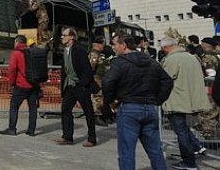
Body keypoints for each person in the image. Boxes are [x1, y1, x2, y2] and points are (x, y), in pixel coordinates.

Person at [102, 32, 173, 170]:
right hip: (149, 108)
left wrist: (110, 102)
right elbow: (167, 82)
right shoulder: (150, 61)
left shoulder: (119, 62)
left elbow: (107, 81)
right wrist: (157, 100)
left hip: (129, 108)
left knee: (127, 151)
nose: (113, 47)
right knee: (155, 150)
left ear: (123, 45)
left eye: (114, 44)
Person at [160, 36, 211, 170]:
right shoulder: (192, 57)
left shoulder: (172, 59)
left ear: (166, 47)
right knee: (185, 130)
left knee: (181, 132)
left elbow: (165, 79)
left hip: (177, 100)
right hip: (192, 99)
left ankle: (189, 162)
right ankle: (197, 148)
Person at [56, 27, 97, 147]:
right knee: (65, 110)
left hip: (80, 86)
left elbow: (87, 70)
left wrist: (83, 85)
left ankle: (92, 138)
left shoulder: (79, 50)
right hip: (69, 86)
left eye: (65, 35)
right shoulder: (65, 50)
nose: (62, 37)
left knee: (88, 112)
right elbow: (65, 70)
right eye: (62, 35)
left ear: (72, 37)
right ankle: (67, 136)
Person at [0, 35, 39, 136]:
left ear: (17, 42)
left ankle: (12, 128)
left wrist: (11, 83)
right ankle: (31, 130)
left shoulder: (16, 53)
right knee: (33, 108)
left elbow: (12, 69)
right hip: (33, 85)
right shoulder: (32, 52)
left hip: (21, 85)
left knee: (14, 106)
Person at [195, 37, 220, 138]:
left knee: (209, 114)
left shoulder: (208, 57)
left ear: (204, 45)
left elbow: (211, 75)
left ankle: (209, 137)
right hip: (216, 88)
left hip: (210, 89)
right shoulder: (217, 56)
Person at [88, 36, 113, 126]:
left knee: (102, 97)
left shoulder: (100, 54)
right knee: (97, 98)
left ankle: (104, 115)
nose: (104, 46)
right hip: (96, 78)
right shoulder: (94, 53)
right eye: (103, 44)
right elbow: (91, 66)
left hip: (101, 77)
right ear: (97, 44)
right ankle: (96, 116)